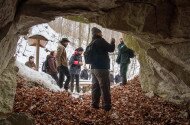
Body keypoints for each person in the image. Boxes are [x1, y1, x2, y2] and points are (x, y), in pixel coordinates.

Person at [90, 27, 115, 112]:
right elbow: (111, 49)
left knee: (95, 87)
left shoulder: (92, 42)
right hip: (102, 68)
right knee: (105, 88)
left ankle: (94, 104)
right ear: (97, 33)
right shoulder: (100, 40)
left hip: (93, 68)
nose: (102, 34)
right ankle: (106, 106)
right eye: (100, 33)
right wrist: (113, 42)